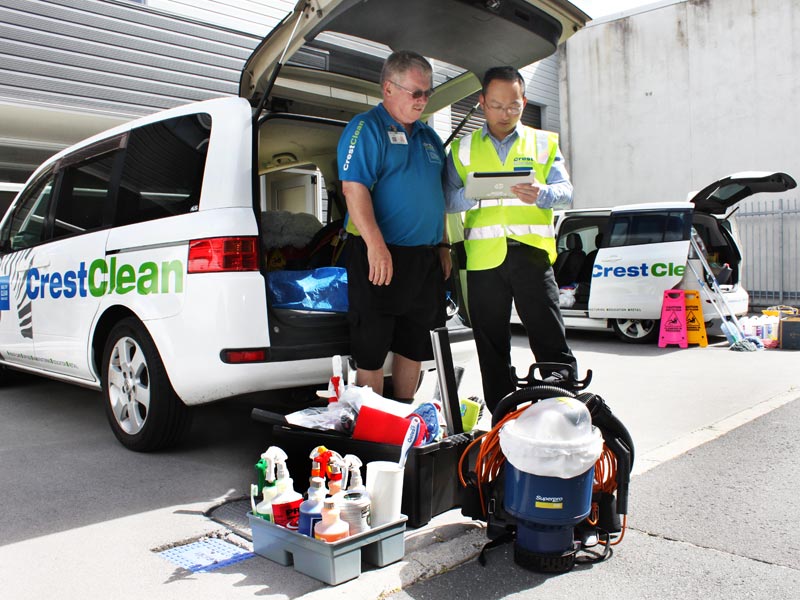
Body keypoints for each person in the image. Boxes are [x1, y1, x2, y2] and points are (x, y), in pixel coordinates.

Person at [445, 66, 577, 412]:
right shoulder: (462, 149)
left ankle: (563, 409)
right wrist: (472, 195)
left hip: (531, 256)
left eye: (514, 106)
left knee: (549, 335)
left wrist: (543, 193)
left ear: (524, 101)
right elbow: (446, 199)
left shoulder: (544, 142)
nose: (506, 113)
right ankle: (503, 414)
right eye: (497, 105)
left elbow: (567, 193)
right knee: (490, 344)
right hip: (484, 260)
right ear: (482, 103)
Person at [337, 50, 451, 401]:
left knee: (414, 344)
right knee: (371, 344)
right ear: (388, 88)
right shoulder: (366, 128)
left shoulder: (430, 138)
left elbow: (439, 196)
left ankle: (402, 414)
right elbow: (353, 188)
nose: (422, 100)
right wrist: (376, 245)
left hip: (424, 260)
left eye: (427, 93)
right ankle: (371, 422)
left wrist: (444, 245)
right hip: (379, 255)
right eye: (415, 92)